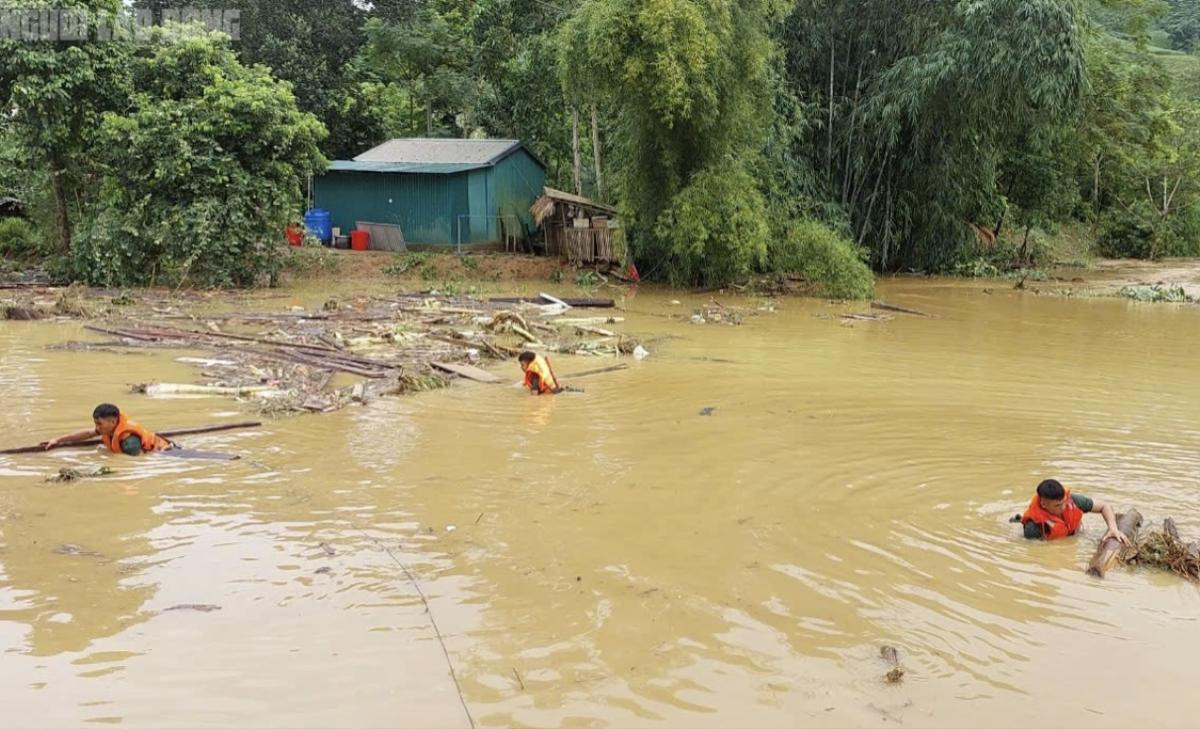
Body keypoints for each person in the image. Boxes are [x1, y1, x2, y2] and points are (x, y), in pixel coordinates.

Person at [1019, 478, 1131, 545]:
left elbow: (1104, 506)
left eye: (1064, 502)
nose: (1063, 507)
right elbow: (1037, 552)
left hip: (1077, 533)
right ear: (1044, 504)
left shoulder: (1073, 500)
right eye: (1057, 505)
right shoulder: (1033, 528)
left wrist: (1113, 529)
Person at [41, 403, 173, 456]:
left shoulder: (129, 442)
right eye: (96, 424)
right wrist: (57, 440)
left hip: (168, 453)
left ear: (113, 422)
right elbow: (86, 434)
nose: (97, 428)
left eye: (99, 424)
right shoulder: (108, 429)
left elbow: (136, 463)